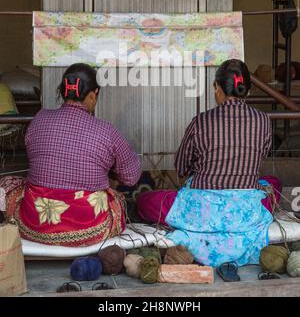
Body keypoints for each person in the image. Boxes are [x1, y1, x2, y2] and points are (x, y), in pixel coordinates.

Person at [137, 59, 281, 267]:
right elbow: (262, 154)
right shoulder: (264, 121)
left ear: (216, 88)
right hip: (245, 212)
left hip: (201, 211)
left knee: (145, 201)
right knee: (273, 183)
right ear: (247, 91)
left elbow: (182, 167)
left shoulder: (201, 121)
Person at [8, 63, 141, 247]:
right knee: (115, 198)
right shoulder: (106, 131)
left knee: (9, 185)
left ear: (63, 92)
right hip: (90, 229)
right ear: (93, 94)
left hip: (35, 226)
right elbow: (131, 178)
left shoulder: (39, 119)